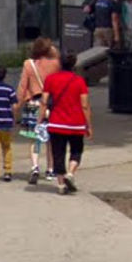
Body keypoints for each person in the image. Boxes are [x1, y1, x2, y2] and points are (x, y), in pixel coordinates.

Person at [36, 52, 93, 195]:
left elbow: (44, 101)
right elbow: (85, 105)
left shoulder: (51, 79)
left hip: (56, 123)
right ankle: (71, 173)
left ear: (60, 63)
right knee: (76, 151)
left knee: (58, 153)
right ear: (74, 64)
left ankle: (61, 184)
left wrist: (40, 118)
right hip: (76, 123)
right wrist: (88, 125)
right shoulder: (79, 81)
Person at [16, 37, 60, 184]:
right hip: (50, 105)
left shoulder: (28, 64)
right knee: (51, 141)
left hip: (33, 104)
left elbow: (23, 86)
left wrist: (17, 105)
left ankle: (35, 167)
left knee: (34, 139)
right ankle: (50, 169)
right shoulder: (55, 64)